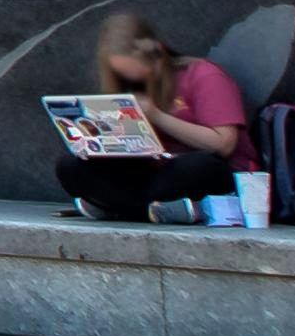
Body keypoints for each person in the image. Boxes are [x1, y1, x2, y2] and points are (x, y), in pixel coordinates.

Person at [56, 12, 252, 221]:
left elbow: (223, 144)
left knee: (195, 168)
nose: (135, 82)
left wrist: (156, 115)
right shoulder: (129, 87)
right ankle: (157, 210)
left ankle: (116, 206)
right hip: (151, 172)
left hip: (198, 169)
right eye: (124, 76)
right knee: (70, 166)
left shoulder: (204, 75)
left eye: (141, 75)